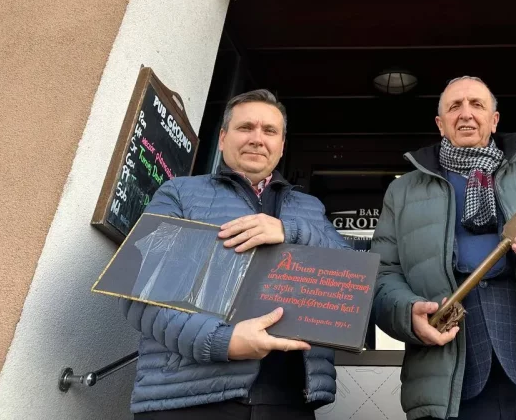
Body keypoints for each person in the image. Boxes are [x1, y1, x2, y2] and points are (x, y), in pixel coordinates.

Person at [371, 76, 516, 420]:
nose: (465, 114)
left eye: (477, 105)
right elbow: (382, 278)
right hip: (450, 382)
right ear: (440, 124)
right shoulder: (403, 192)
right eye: (454, 106)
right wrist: (407, 313)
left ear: (494, 120)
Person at [122, 89, 349, 419]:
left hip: (287, 400)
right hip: (188, 399)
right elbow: (137, 292)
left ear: (282, 145)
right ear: (224, 137)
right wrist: (222, 342)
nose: (258, 139)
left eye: (270, 131)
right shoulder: (180, 194)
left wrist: (292, 233)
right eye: (246, 128)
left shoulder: (310, 209)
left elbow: (351, 279)